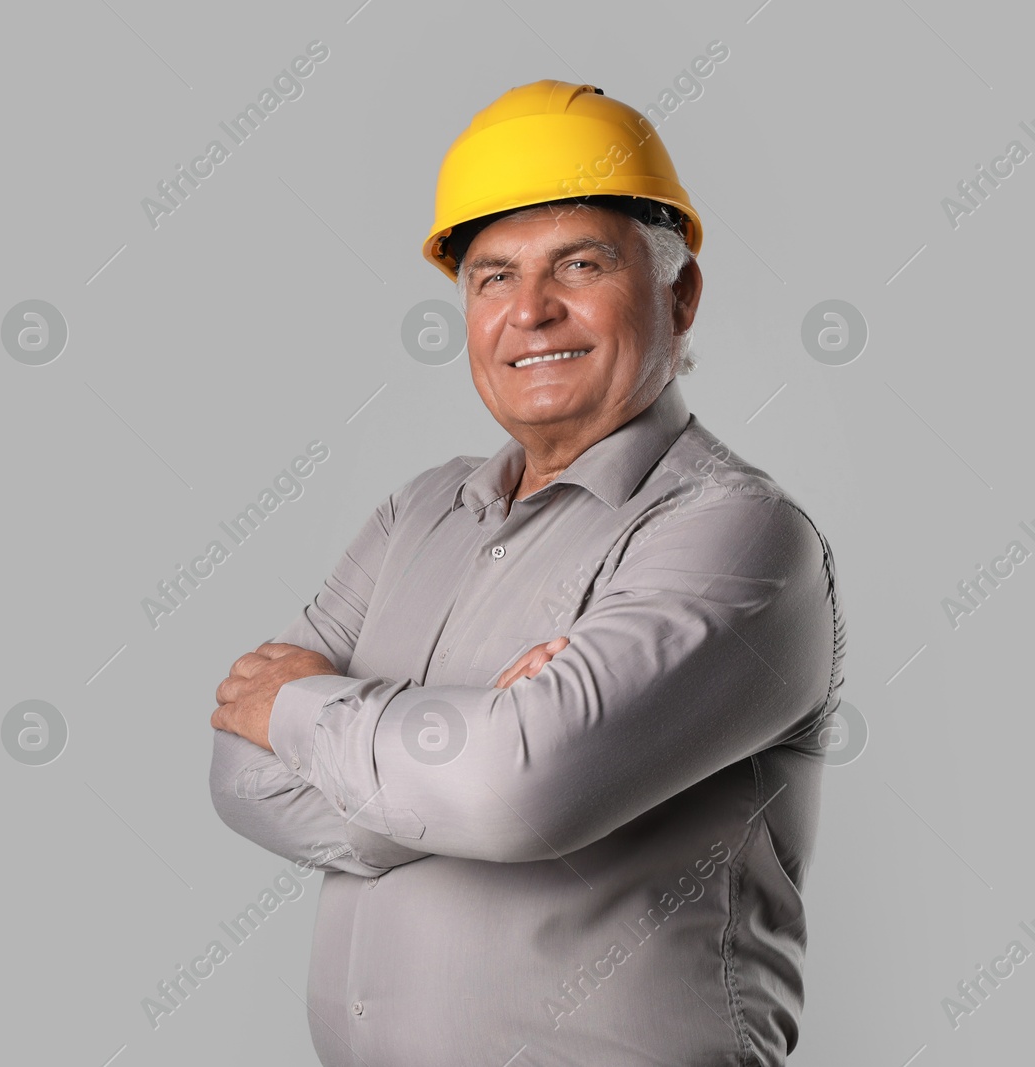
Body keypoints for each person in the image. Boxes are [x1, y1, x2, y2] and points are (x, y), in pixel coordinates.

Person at [208, 79, 846, 1066]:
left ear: (679, 295)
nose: (531, 312)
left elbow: (515, 792)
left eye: (578, 265)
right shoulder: (415, 512)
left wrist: (312, 717)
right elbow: (238, 771)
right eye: (492, 278)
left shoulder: (739, 534)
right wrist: (456, 774)